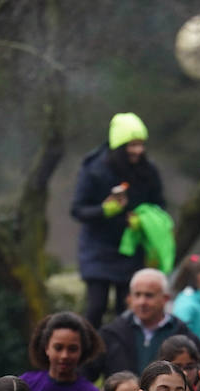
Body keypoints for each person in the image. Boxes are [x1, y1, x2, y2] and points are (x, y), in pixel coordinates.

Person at [72, 113, 166, 328]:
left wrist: (144, 219)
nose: (138, 150)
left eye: (141, 144)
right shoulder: (93, 169)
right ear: (119, 145)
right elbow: (77, 210)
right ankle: (89, 357)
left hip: (131, 249)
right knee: (96, 306)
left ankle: (123, 357)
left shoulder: (148, 171)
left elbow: (159, 205)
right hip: (97, 249)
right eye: (132, 145)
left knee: (128, 312)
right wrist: (104, 210)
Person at [95, 268, 200, 379]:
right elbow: (86, 374)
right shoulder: (110, 334)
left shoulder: (185, 337)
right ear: (130, 298)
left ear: (165, 298)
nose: (142, 302)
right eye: (137, 295)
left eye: (149, 295)